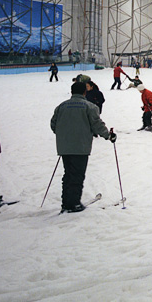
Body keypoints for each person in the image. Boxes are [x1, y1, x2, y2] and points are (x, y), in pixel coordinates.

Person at [50, 81, 115, 212]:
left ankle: (66, 202)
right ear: (85, 92)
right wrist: (108, 136)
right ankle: (73, 203)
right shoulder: (90, 107)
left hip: (64, 147)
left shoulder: (61, 106)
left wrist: (64, 136)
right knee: (77, 175)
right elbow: (97, 125)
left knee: (68, 174)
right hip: (81, 147)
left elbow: (53, 124)